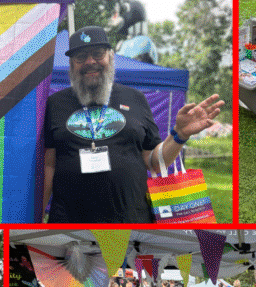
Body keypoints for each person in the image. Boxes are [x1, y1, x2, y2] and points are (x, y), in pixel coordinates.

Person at [43, 26, 223, 222]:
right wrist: (35, 220)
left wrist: (180, 134)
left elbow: (154, 162)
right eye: (81, 56)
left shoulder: (136, 98)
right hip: (70, 223)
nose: (90, 61)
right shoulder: (55, 104)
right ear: (71, 64)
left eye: (97, 53)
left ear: (111, 57)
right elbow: (49, 165)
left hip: (132, 221)